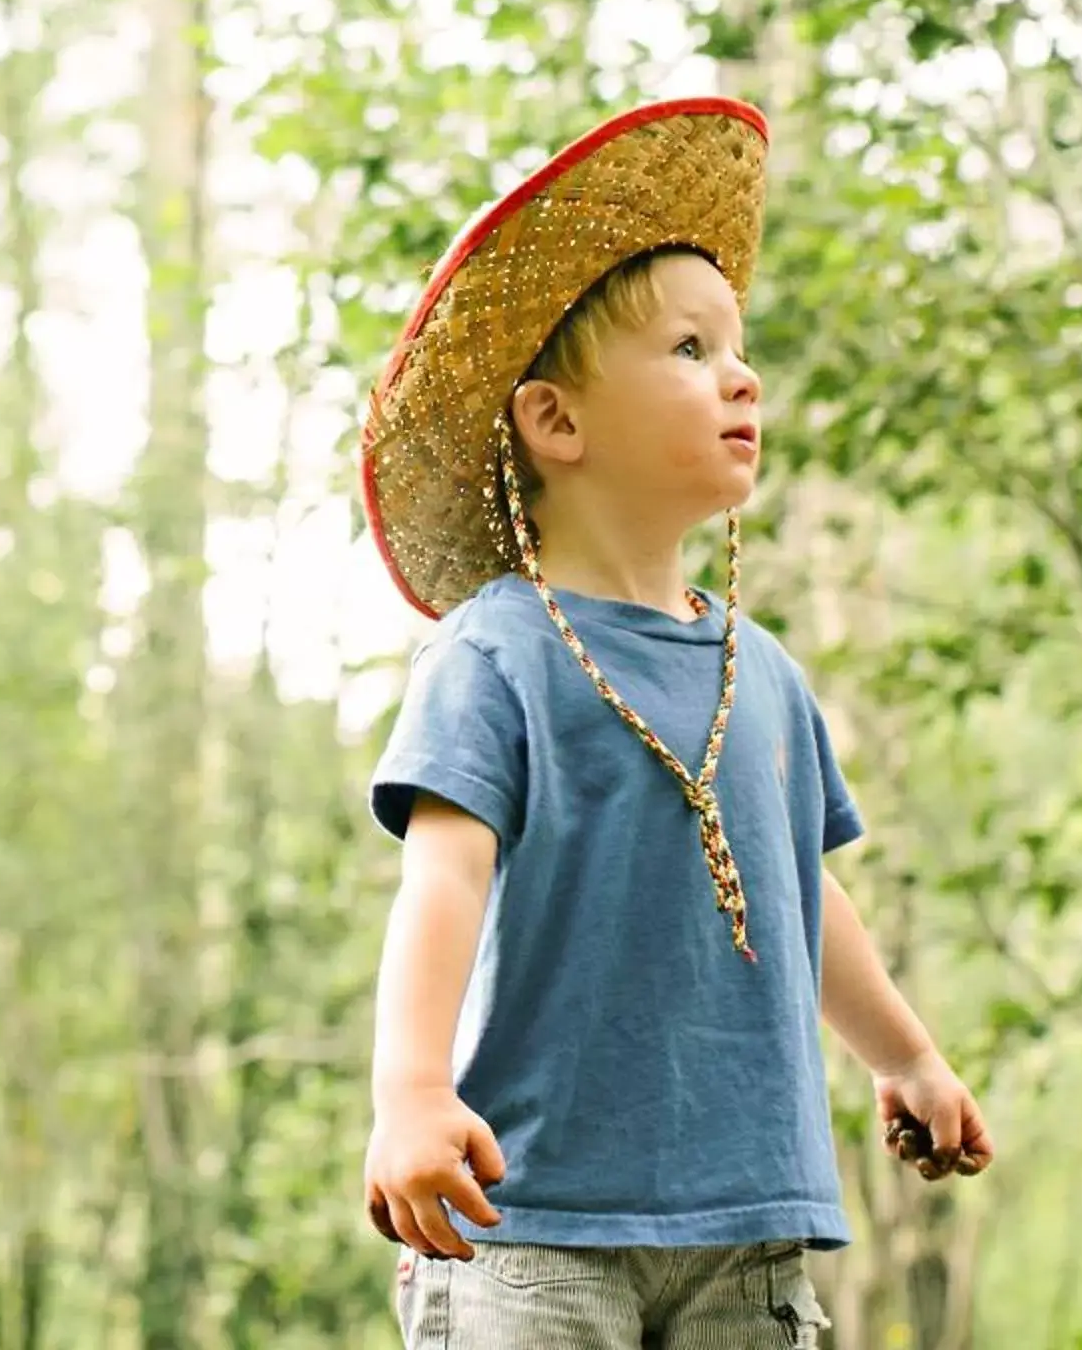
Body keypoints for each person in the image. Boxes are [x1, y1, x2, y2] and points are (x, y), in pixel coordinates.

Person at [352, 96, 992, 1349]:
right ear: (558, 421)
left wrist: (905, 1057)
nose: (741, 373)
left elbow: (801, 891)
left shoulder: (769, 673)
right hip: (527, 1219)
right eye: (690, 349)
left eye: (738, 347)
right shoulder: (498, 652)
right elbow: (441, 881)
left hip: (745, 1224)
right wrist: (413, 1091)